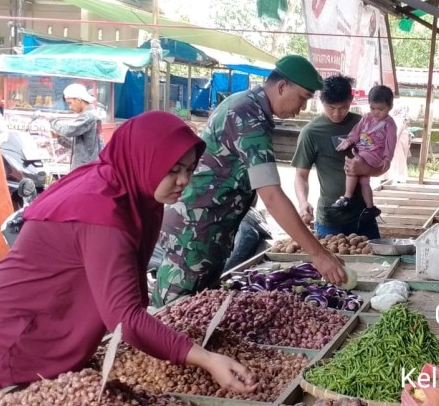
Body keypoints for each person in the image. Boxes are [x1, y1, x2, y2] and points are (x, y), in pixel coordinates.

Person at [0, 111, 257, 406]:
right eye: (172, 170)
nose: (183, 181)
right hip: (5, 339)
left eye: (189, 169)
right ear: (141, 159)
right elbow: (127, 320)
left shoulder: (125, 184)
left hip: (19, 322)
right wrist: (206, 359)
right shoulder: (104, 213)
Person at [152, 55, 347, 307]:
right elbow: (272, 195)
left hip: (210, 229)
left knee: (198, 310)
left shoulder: (246, 104)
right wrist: (318, 254)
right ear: (282, 87)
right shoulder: (248, 115)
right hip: (195, 233)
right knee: (172, 316)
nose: (301, 108)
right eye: (303, 98)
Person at [292, 75, 389, 239]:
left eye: (343, 107)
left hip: (364, 216)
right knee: (332, 263)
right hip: (330, 220)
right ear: (321, 100)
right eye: (331, 108)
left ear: (351, 100)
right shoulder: (311, 133)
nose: (337, 113)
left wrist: (366, 169)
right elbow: (301, 176)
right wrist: (303, 202)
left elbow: (384, 166)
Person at [332, 85, 396, 218]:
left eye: (381, 109)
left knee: (353, 165)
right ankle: (370, 207)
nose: (376, 112)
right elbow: (356, 131)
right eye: (373, 108)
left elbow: (391, 142)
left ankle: (347, 197)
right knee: (363, 180)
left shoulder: (389, 123)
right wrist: (349, 141)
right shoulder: (366, 117)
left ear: (390, 107)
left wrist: (387, 158)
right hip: (363, 150)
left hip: (375, 154)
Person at [50, 83, 104, 170]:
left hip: (86, 169)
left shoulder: (88, 116)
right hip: (87, 167)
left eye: (70, 103)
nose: (70, 107)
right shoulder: (89, 115)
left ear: (79, 100)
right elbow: (77, 145)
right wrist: (59, 137)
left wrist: (52, 121)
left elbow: (68, 130)